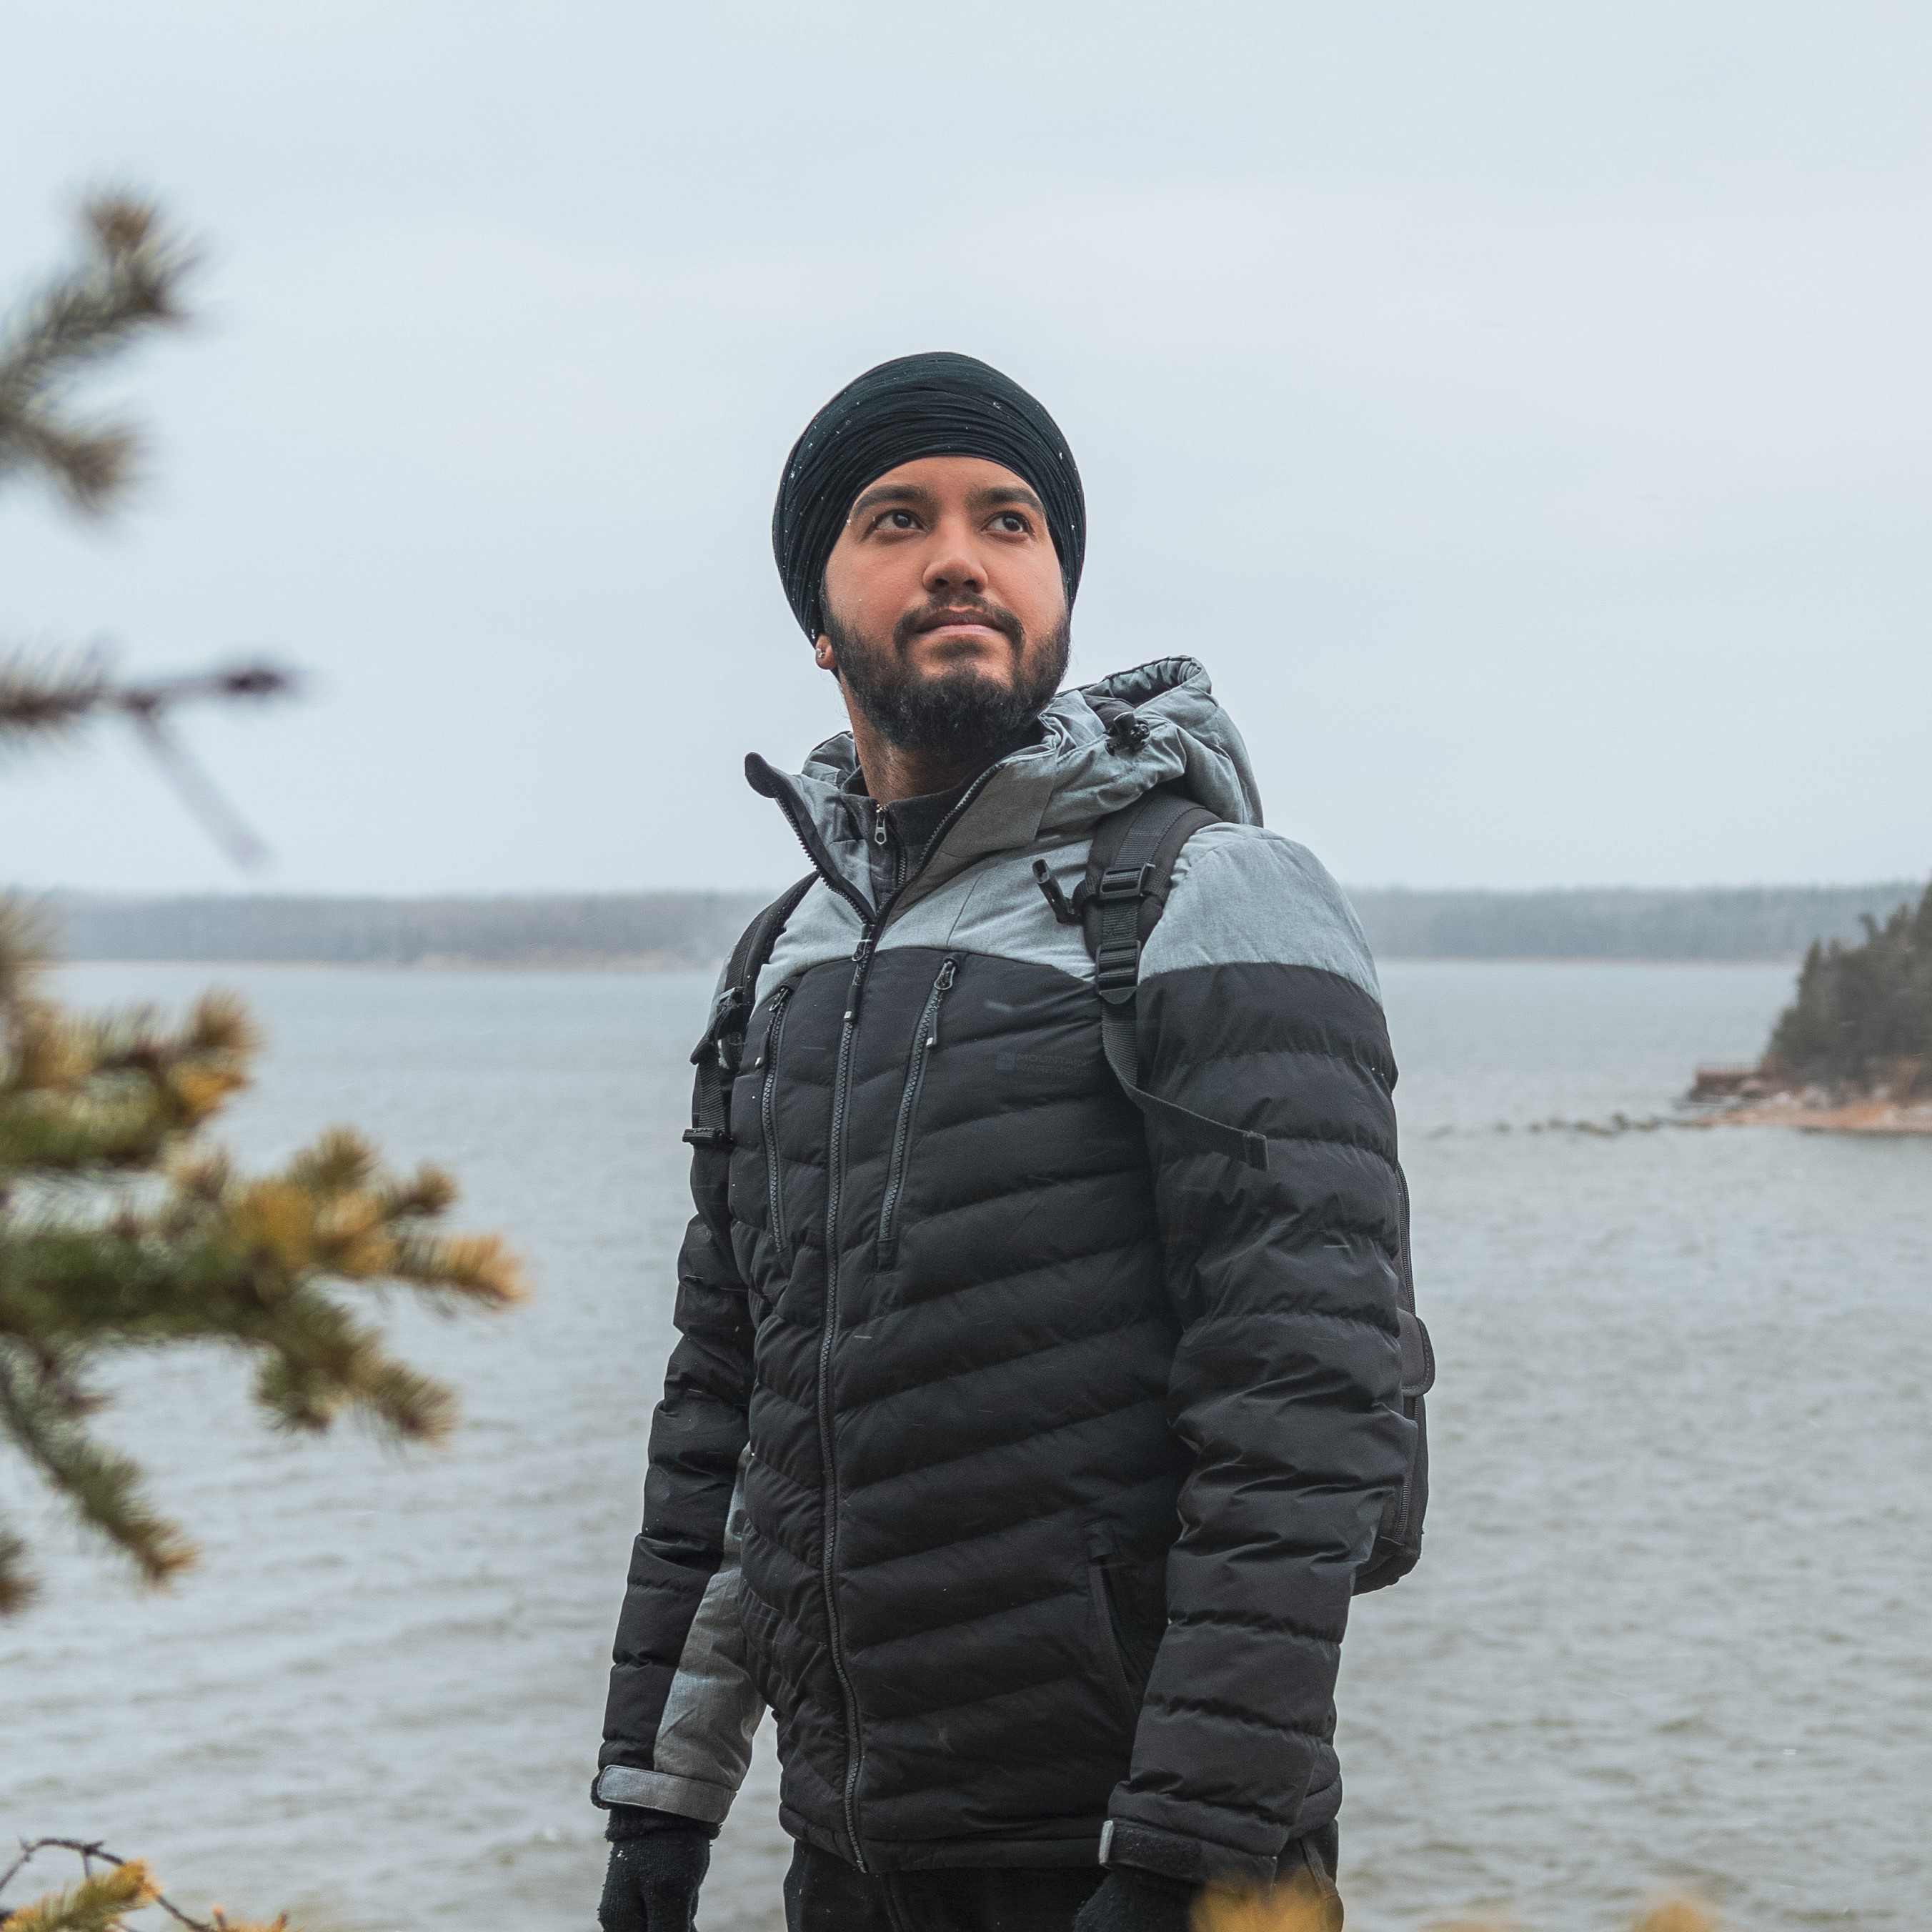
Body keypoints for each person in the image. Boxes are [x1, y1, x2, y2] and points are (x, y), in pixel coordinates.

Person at [593, 352, 1421, 1932]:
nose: (960, 553)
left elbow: (1308, 1412)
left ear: (1054, 589)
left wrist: (1182, 1847)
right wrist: (659, 1792)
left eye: (1010, 519)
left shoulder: (1210, 894)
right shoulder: (788, 954)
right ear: (818, 613)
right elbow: (731, 1403)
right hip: (855, 1850)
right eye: (895, 518)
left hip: (1143, 1846)